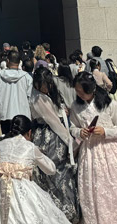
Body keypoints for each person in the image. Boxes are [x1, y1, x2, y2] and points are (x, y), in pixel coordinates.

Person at [69, 72, 117, 224]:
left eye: (82, 91)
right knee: (93, 191)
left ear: (92, 89)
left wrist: (105, 131)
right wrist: (79, 131)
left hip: (111, 152)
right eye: (77, 91)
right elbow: (72, 127)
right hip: (89, 153)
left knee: (115, 188)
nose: (79, 94)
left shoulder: (110, 105)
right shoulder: (75, 106)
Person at [0, 115, 69, 224]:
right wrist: (40, 155)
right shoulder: (30, 147)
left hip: (1, 186)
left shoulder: (2, 143)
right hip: (23, 185)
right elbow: (51, 169)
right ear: (29, 132)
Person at [29, 68, 79, 223]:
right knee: (54, 171)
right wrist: (70, 140)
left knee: (57, 171)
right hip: (49, 136)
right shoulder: (38, 99)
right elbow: (54, 122)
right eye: (43, 84)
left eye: (47, 84)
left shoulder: (43, 95)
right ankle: (61, 209)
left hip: (50, 133)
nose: (46, 87)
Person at [0, 50, 34, 136]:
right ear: (19, 62)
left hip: (5, 113)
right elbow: (30, 97)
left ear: (7, 61)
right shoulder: (26, 77)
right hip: (23, 115)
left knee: (7, 141)